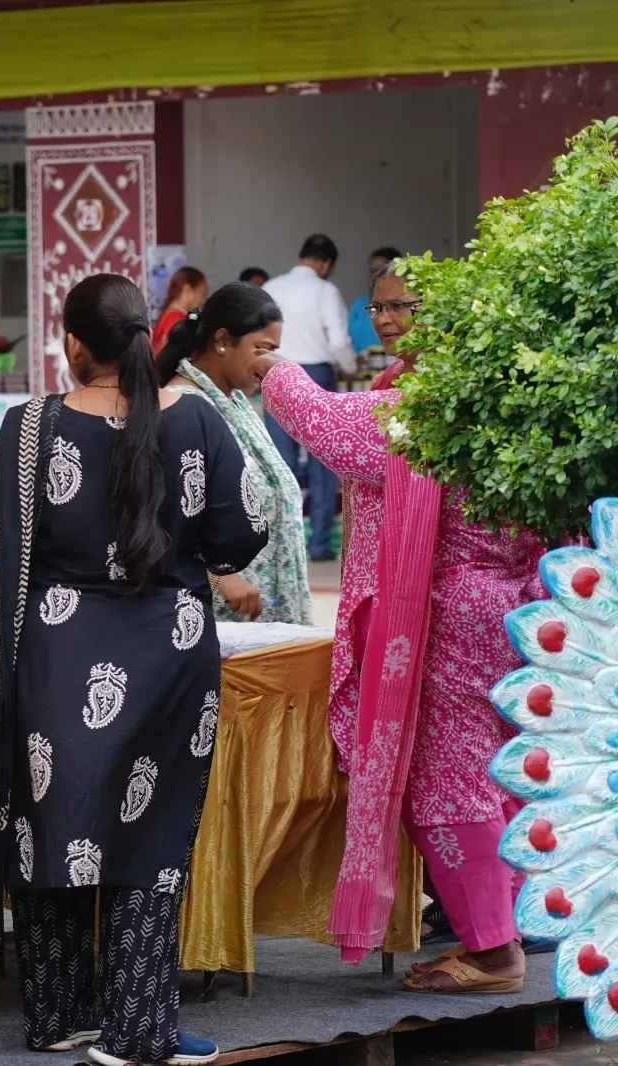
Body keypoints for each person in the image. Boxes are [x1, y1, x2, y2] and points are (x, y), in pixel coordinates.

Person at [0, 273, 268, 1066]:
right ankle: (138, 1030)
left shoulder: (29, 426)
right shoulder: (195, 418)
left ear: (72, 344)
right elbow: (241, 537)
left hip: (56, 658)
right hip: (169, 655)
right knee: (148, 835)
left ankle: (59, 1014)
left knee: (53, 828)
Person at [252, 263, 542, 994]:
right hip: (503, 605)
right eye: (377, 307)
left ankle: (491, 949)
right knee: (490, 774)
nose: (385, 320)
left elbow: (336, 434)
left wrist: (276, 372)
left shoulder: (437, 401)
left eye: (402, 306)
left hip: (453, 614)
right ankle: (501, 930)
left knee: (448, 784)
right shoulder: (498, 389)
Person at [156, 283, 312, 624]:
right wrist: (220, 577)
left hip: (262, 613)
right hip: (222, 617)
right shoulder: (180, 407)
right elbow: (162, 515)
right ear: (223, 340)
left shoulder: (237, 402)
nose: (269, 362)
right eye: (262, 349)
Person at [263, 235, 356, 561]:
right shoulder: (326, 290)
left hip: (276, 374)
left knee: (279, 463)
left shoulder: (273, 287)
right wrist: (349, 367)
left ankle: (279, 544)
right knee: (321, 466)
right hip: (317, 375)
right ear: (326, 264)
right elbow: (338, 339)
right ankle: (317, 546)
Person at [346, 247, 401, 359]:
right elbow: (346, 340)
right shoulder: (360, 305)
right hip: (363, 371)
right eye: (372, 270)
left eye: (380, 270)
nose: (375, 275)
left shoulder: (404, 306)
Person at [151, 266, 206, 352]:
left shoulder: (166, 317)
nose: (203, 300)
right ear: (187, 289)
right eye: (201, 293)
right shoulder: (178, 321)